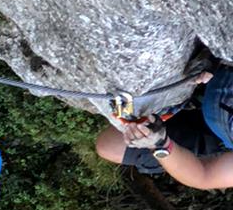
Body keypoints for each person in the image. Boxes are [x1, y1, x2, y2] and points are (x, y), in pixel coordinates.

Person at [95, 66, 233, 189]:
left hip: (212, 127)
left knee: (111, 146)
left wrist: (160, 145)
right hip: (220, 83)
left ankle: (183, 101)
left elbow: (203, 176)